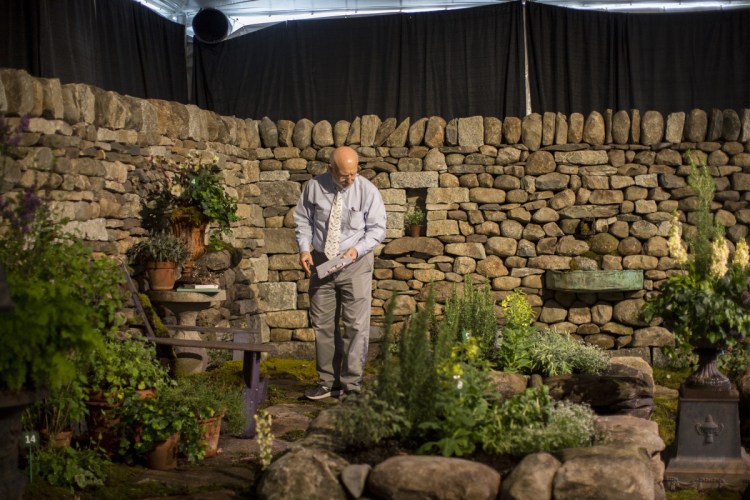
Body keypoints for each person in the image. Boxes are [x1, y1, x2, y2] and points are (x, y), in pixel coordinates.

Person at [293, 146, 386, 400]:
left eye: (354, 173)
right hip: (322, 261)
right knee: (322, 324)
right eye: (344, 175)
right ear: (330, 168)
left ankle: (352, 385)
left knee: (356, 325)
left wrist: (357, 250)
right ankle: (327, 382)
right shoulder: (314, 187)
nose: (350, 179)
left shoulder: (367, 191)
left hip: (355, 262)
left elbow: (378, 229)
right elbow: (303, 220)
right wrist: (304, 249)